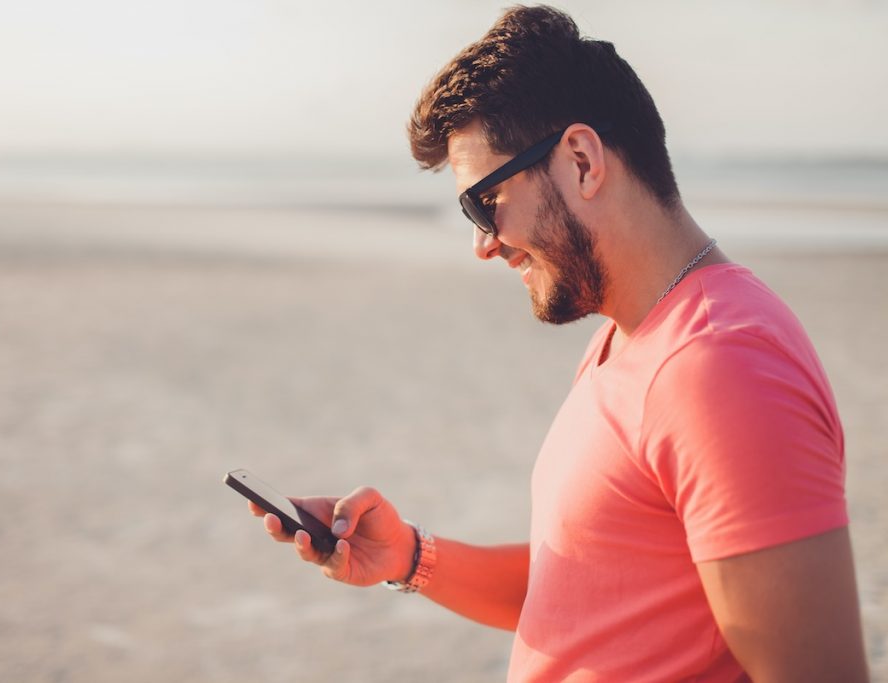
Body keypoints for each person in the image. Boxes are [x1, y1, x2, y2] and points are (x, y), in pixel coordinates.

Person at [247, 5, 868, 681]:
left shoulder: (721, 365)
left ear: (580, 159)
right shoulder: (628, 340)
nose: (483, 244)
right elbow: (587, 591)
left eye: (485, 203)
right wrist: (406, 556)